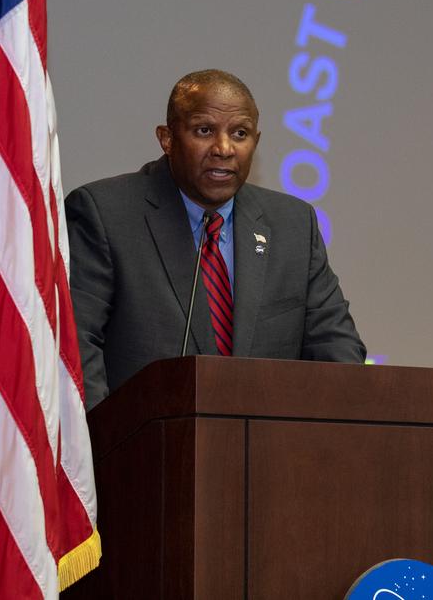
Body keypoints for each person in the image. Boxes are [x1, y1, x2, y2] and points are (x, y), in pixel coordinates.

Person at [66, 69, 366, 409]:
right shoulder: (105, 214)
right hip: (141, 439)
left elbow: (338, 350)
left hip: (264, 440)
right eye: (204, 130)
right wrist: (105, 438)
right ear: (167, 138)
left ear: (256, 142)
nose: (224, 149)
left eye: (240, 133)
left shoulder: (293, 224)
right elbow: (76, 349)